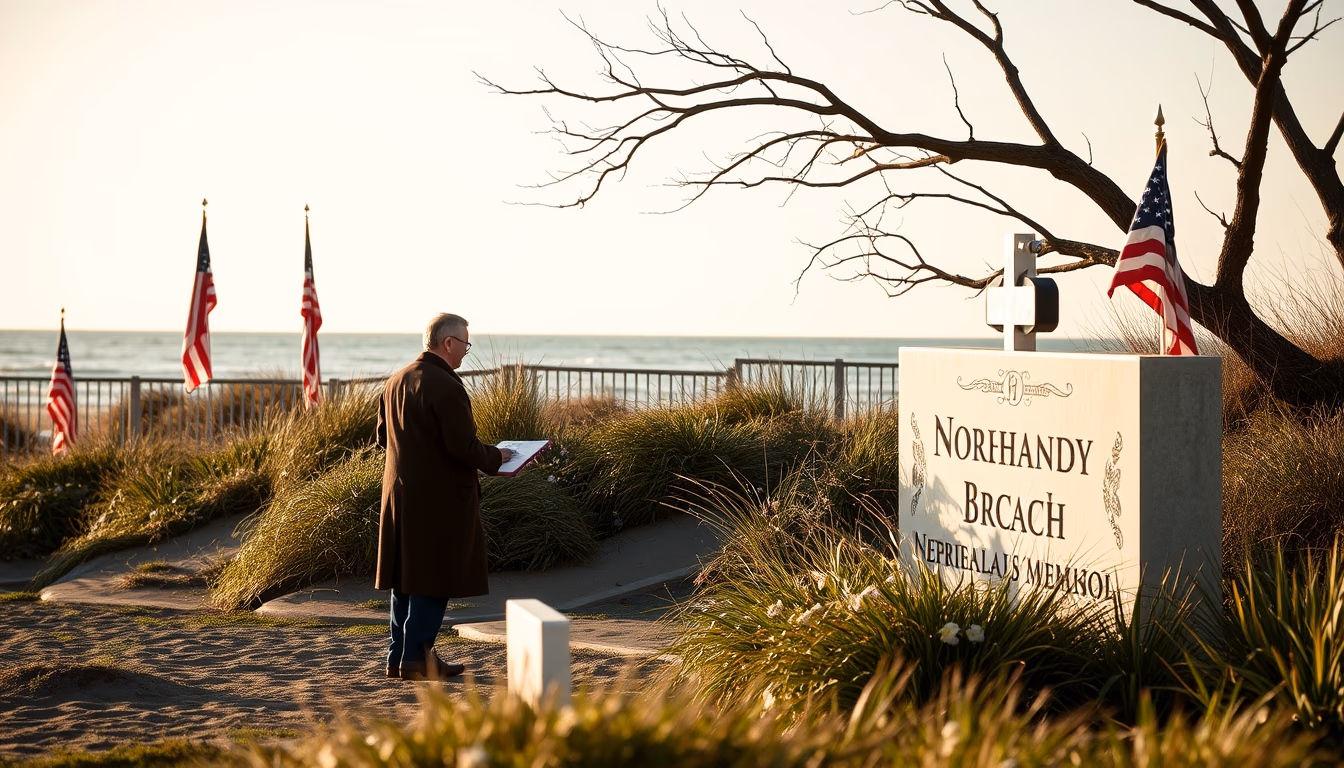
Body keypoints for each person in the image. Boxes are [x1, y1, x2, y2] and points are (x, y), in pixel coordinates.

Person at [375, 313, 514, 681]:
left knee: (405, 578)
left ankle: (399, 657)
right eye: (465, 344)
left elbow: (380, 438)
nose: (466, 352)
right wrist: (497, 458)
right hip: (438, 500)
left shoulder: (395, 381)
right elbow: (462, 447)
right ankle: (418, 657)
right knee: (433, 578)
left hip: (399, 496)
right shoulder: (446, 386)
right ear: (448, 342)